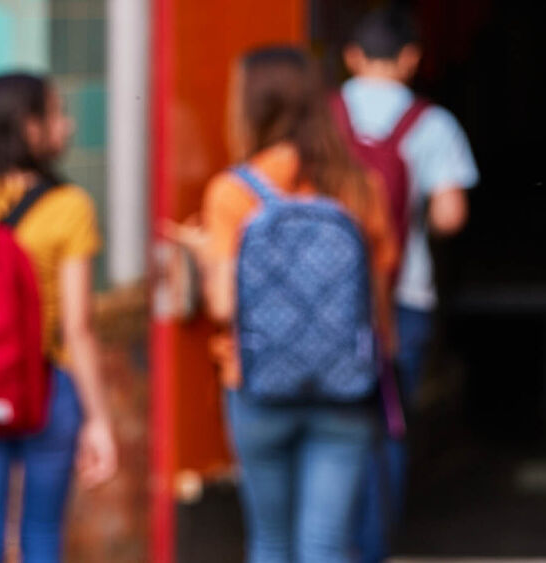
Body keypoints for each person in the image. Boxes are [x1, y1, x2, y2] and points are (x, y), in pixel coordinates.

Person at [167, 46, 399, 562]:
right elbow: (378, 301)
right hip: (345, 388)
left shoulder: (232, 192)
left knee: (270, 542)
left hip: (259, 387)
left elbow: (225, 307)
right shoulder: (359, 187)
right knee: (325, 544)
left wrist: (207, 257)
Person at [337, 8, 479, 561]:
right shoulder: (432, 123)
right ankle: (373, 548)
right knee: (387, 425)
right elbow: (450, 216)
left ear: (351, 56)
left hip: (331, 304)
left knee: (335, 426)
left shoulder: (320, 119)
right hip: (403, 297)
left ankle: (331, 545)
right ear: (412, 58)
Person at [0, 73, 117, 563]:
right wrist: (99, 420)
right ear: (30, 127)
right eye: (57, 114)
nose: (67, 126)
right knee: (43, 533)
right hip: (49, 386)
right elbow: (78, 327)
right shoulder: (70, 207)